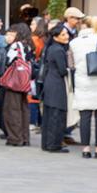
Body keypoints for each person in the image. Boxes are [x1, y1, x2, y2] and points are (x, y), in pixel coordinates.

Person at [69, 16, 97, 159]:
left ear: (83, 26)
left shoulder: (73, 42)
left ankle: (85, 149)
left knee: (84, 118)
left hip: (83, 82)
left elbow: (71, 64)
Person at [0, 23, 34, 147]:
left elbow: (9, 61)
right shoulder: (29, 45)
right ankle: (25, 138)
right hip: (24, 82)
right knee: (23, 109)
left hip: (14, 82)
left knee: (12, 110)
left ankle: (15, 138)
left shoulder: (15, 45)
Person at [41, 24, 72, 152]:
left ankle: (47, 143)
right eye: (63, 34)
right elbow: (62, 71)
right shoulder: (59, 50)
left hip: (49, 83)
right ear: (56, 37)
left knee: (49, 115)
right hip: (57, 85)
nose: (67, 36)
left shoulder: (51, 48)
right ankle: (54, 145)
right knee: (57, 116)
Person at [29, 17, 48, 130]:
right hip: (43, 71)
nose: (30, 26)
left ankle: (33, 122)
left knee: (32, 96)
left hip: (34, 70)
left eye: (32, 23)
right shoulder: (45, 39)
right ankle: (40, 122)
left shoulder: (34, 40)